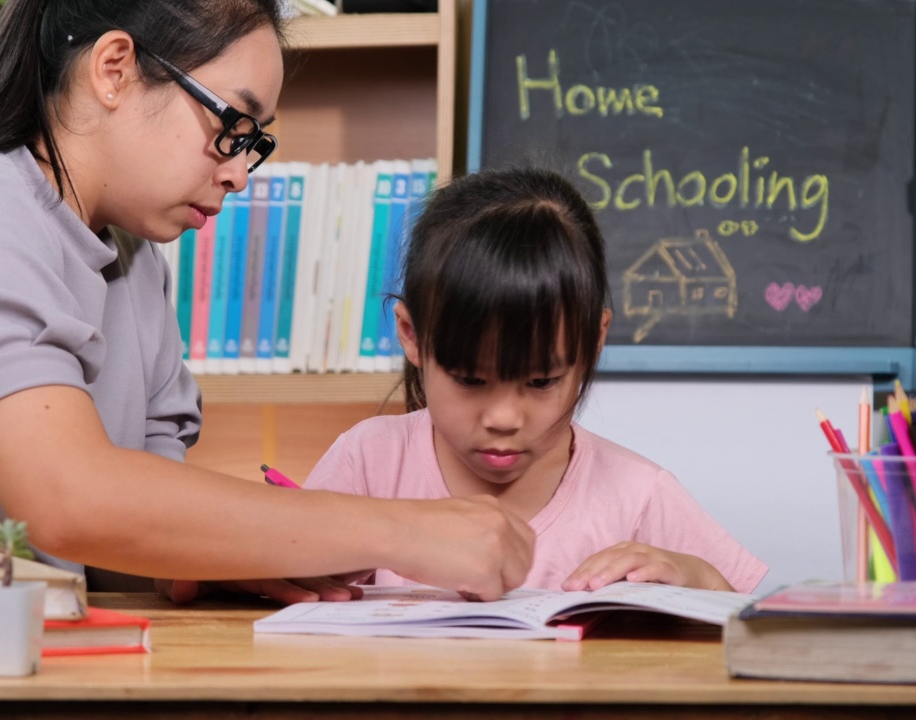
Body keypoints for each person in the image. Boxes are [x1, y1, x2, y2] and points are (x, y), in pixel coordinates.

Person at [0, 0, 535, 603]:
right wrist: (405, 529)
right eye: (233, 125)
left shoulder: (131, 258)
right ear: (114, 68)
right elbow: (71, 501)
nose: (240, 174)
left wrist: (219, 561)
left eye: (255, 142)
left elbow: (125, 541)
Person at [302, 167, 768, 593]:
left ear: (593, 341)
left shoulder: (639, 495)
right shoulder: (368, 461)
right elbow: (285, 588)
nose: (504, 418)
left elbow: (748, 624)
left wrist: (697, 577)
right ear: (412, 335)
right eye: (470, 379)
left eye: (541, 382)